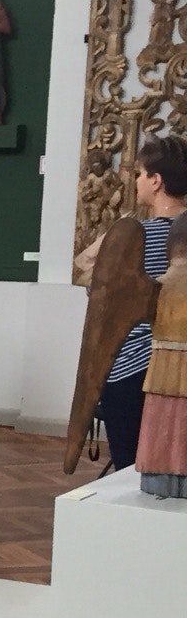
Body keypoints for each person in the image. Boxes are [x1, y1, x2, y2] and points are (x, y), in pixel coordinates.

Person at [98, 132, 187, 472]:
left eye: (140, 173)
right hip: (179, 365)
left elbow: (99, 293)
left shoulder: (136, 235)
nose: (136, 180)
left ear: (156, 180)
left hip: (133, 365)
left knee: (129, 470)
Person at [137, 212, 187, 498]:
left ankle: (158, 480)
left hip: (160, 373)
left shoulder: (156, 286)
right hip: (167, 367)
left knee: (162, 424)